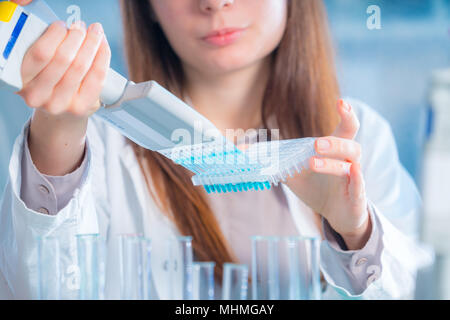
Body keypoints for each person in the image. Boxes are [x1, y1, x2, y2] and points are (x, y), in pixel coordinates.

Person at [0, 0, 432, 299]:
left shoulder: (359, 138)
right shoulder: (96, 147)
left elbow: (418, 287)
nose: (214, 2)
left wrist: (354, 231)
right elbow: (41, 289)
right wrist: (58, 129)